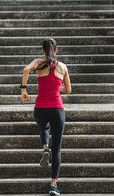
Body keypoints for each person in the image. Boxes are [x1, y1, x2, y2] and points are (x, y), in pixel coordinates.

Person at [20, 38, 72, 196]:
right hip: (57, 109)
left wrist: (23, 90)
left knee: (43, 126)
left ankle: (44, 148)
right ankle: (53, 185)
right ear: (56, 50)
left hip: (40, 109)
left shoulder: (38, 62)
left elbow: (25, 70)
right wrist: (56, 86)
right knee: (57, 148)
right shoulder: (62, 67)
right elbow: (68, 90)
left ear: (42, 50)